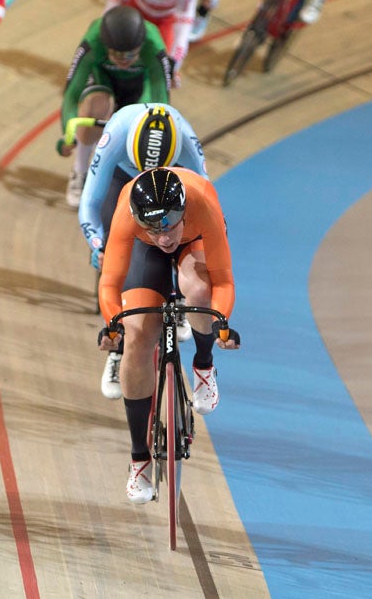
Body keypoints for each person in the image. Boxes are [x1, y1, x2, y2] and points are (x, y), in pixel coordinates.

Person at [97, 167, 241, 503]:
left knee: (200, 291)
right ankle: (139, 460)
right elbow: (109, 284)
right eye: (152, 227)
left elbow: (223, 280)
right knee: (137, 337)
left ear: (182, 211)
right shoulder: (127, 215)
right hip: (141, 250)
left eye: (167, 225)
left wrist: (222, 325)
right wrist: (114, 325)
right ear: (138, 218)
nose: (163, 237)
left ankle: (204, 366)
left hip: (197, 240)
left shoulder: (201, 204)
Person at [76, 104, 209, 400]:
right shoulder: (116, 134)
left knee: (182, 229)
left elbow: (206, 203)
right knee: (113, 246)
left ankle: (178, 291)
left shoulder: (186, 139)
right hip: (124, 177)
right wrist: (97, 243)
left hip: (171, 179)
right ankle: (117, 345)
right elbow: (89, 204)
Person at [58, 5, 174, 208]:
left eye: (130, 55)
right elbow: (71, 93)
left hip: (139, 84)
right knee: (95, 107)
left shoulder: (153, 45)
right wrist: (67, 134)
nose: (123, 61)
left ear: (141, 46)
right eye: (116, 55)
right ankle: (80, 170)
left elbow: (162, 100)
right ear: (105, 45)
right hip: (104, 79)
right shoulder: (93, 42)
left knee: (145, 121)